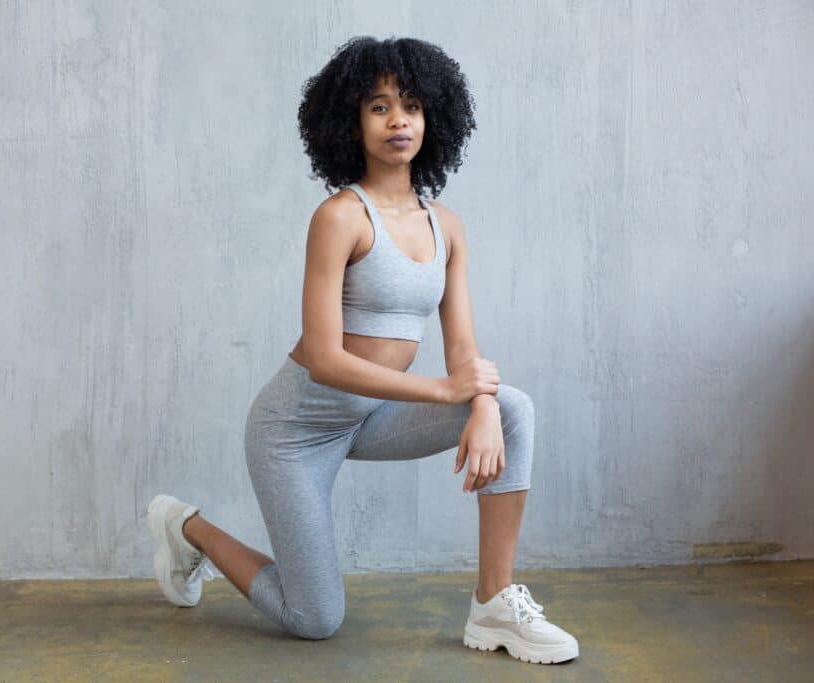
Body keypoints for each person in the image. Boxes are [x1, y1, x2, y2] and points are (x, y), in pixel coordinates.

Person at [147, 36, 579, 665]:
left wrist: (480, 403)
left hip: (371, 418)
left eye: (410, 106)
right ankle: (186, 527)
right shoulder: (340, 217)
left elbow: (461, 345)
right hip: (295, 429)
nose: (397, 120)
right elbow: (323, 358)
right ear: (351, 121)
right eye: (378, 107)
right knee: (314, 620)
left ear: (434, 118)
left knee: (512, 407)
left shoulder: (447, 226)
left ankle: (493, 603)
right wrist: (447, 392)